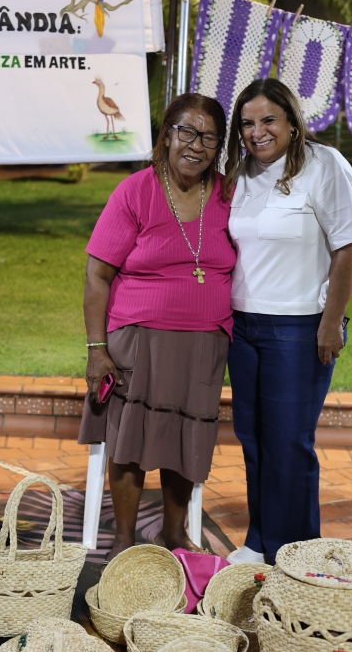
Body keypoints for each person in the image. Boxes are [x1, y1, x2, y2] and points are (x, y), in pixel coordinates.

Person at [78, 93, 236, 560]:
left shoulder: (228, 194)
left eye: (209, 137)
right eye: (186, 131)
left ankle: (174, 534)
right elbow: (97, 274)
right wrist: (96, 348)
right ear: (166, 135)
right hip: (138, 340)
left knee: (187, 436)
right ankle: (124, 539)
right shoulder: (136, 191)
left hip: (205, 343)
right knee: (130, 439)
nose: (196, 145)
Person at [223, 79, 352, 565]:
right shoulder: (241, 173)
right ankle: (260, 540)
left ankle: (296, 554)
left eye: (268, 119)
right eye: (247, 123)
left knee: (289, 442)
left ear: (291, 121)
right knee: (254, 439)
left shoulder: (324, 164)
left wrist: (331, 322)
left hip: (298, 329)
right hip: (243, 327)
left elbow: (350, 247)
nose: (257, 132)